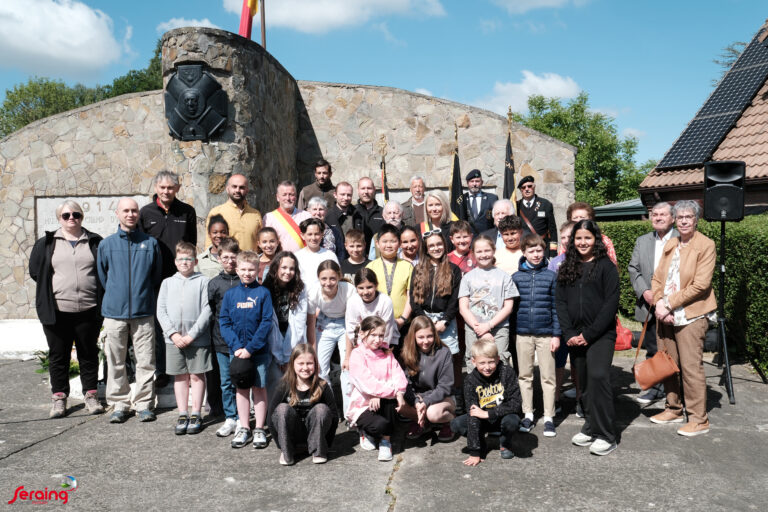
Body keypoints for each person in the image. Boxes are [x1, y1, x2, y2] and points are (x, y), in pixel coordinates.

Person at [29, 200, 104, 418]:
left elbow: (102, 269)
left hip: (89, 310)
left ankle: (91, 396)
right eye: (66, 215)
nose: (71, 218)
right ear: (59, 218)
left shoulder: (95, 241)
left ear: (82, 217)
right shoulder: (46, 243)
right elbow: (36, 272)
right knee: (58, 356)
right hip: (57, 311)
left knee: (88, 354)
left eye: (76, 214)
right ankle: (59, 398)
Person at [650, 200, 716, 437]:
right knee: (668, 365)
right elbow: (657, 278)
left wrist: (668, 303)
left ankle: (699, 419)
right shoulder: (671, 243)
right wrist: (659, 303)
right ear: (674, 220)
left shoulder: (706, 245)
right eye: (680, 217)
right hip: (664, 314)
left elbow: (701, 285)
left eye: (689, 216)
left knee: (690, 368)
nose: (684, 221)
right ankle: (673, 408)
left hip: (691, 315)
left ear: (696, 219)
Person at [556, 219, 620, 456]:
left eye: (587, 238)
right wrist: (570, 334)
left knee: (598, 376)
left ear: (596, 240)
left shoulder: (606, 267)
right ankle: (591, 426)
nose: (583, 242)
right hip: (575, 336)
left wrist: (588, 335)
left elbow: (610, 305)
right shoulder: (567, 267)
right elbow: (560, 303)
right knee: (582, 381)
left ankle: (607, 435)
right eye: (578, 238)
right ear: (573, 241)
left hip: (600, 335)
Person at [97, 198, 163, 424]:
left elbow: (155, 277)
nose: (130, 214)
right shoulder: (106, 245)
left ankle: (144, 404)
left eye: (134, 211)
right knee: (115, 361)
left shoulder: (150, 244)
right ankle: (120, 404)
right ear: (117, 214)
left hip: (143, 312)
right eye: (126, 210)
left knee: (145, 361)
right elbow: (104, 277)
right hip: (114, 313)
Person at [140, 170, 198, 388]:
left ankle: (186, 368)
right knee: (159, 325)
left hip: (180, 278)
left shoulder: (187, 212)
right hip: (155, 280)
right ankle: (162, 370)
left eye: (170, 187)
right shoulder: (145, 213)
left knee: (183, 321)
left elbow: (191, 245)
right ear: (156, 188)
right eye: (162, 187)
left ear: (177, 189)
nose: (166, 191)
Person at [156, 242, 213, 436]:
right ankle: (183, 413)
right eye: (181, 259)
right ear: (175, 261)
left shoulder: (203, 281)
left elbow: (207, 310)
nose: (185, 262)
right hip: (174, 339)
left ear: (195, 261)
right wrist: (172, 333)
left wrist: (192, 335)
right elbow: (161, 311)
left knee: (197, 375)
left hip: (197, 338)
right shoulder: (167, 283)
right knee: (179, 376)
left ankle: (196, 412)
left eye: (189, 259)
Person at [219, 251, 273, 449]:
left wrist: (250, 348)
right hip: (238, 352)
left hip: (257, 352)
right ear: (237, 269)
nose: (247, 273)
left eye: (251, 269)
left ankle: (259, 427)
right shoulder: (231, 295)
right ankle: (244, 427)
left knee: (259, 388)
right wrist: (237, 347)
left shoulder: (263, 294)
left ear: (258, 269)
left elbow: (266, 322)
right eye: (243, 269)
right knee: (241, 389)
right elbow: (224, 321)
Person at [627, 202, 677, 405]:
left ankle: (674, 392)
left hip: (674, 305)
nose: (657, 217)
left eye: (662, 214)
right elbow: (633, 268)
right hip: (648, 304)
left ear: (672, 218)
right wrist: (645, 292)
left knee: (674, 350)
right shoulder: (643, 241)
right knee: (651, 347)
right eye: (654, 214)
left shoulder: (681, 239)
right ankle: (654, 389)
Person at [511, 235, 561, 438]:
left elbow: (556, 307)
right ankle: (528, 414)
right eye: (531, 251)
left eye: (539, 250)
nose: (536, 254)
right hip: (522, 334)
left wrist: (556, 334)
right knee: (525, 376)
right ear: (524, 253)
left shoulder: (551, 276)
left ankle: (549, 417)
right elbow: (512, 308)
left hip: (546, 334)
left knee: (548, 377)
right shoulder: (516, 277)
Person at [346, 316, 408, 462]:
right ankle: (366, 431)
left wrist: (399, 392)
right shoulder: (357, 355)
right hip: (363, 404)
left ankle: (385, 442)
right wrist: (391, 392)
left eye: (381, 335)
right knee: (381, 424)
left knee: (392, 406)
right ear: (362, 333)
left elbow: (398, 375)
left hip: (385, 400)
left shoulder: (387, 352)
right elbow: (366, 382)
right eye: (373, 335)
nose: (377, 339)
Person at [450, 338, 522, 465]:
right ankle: (481, 443)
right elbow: (473, 414)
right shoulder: (470, 381)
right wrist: (475, 451)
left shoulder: (507, 372)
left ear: (498, 359)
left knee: (512, 421)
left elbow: (516, 403)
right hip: (481, 420)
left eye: (491, 362)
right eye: (482, 363)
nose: (487, 367)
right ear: (473, 362)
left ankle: (505, 443)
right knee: (456, 424)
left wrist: (488, 414)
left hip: (503, 416)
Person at [410, 230, 462, 399]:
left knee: (450, 360)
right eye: (431, 245)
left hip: (445, 321)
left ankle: (454, 398)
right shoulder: (418, 269)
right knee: (425, 359)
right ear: (425, 249)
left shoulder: (453, 269)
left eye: (439, 244)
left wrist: (445, 321)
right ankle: (426, 396)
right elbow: (413, 299)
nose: (436, 248)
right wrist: (426, 322)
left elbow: (455, 299)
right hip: (424, 319)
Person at [267, 344, 338, 465]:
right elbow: (270, 418)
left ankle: (318, 451)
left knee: (321, 409)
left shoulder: (322, 386)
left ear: (315, 364)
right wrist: (281, 445)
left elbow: (334, 417)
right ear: (292, 364)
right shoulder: (283, 385)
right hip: (292, 438)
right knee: (282, 409)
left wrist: (326, 443)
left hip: (316, 437)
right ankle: (287, 452)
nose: (305, 367)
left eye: (309, 363)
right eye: (301, 363)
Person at [459, 235, 518, 371]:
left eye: (487, 251)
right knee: (474, 361)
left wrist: (489, 325)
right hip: (474, 328)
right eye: (479, 252)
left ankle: (500, 391)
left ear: (493, 251)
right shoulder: (467, 278)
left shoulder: (504, 277)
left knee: (499, 361)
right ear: (473, 254)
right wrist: (479, 328)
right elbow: (463, 308)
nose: (483, 255)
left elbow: (508, 307)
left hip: (499, 328)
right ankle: (475, 392)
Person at [306, 260, 356, 417]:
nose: (328, 283)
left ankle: (350, 413)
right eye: (324, 279)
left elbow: (351, 324)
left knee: (347, 369)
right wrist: (314, 355)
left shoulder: (348, 290)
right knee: (320, 370)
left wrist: (348, 356)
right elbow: (310, 324)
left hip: (345, 325)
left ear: (339, 277)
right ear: (318, 278)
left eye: (332, 279)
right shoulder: (314, 292)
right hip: (324, 323)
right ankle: (330, 409)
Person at [399, 316, 456, 441]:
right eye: (421, 337)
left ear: (434, 334)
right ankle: (421, 422)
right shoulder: (407, 352)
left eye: (429, 336)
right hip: (419, 396)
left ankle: (450, 421)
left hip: (442, 397)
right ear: (413, 336)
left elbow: (445, 386)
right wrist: (416, 401)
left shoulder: (443, 352)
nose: (425, 341)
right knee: (398, 402)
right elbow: (405, 383)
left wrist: (426, 401)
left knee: (433, 414)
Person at [207, 237, 241, 438]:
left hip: (242, 342)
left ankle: (243, 415)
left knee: (242, 380)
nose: (230, 261)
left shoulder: (244, 281)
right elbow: (211, 310)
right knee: (226, 381)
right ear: (219, 258)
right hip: (221, 341)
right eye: (225, 257)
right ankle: (230, 416)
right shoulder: (214, 284)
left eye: (233, 257)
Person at [366, 224, 413, 340]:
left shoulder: (407, 266)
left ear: (400, 244)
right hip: (376, 324)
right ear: (377, 244)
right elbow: (366, 295)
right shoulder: (370, 266)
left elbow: (411, 295)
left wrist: (403, 319)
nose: (388, 245)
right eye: (384, 241)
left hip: (402, 323)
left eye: (393, 241)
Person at [345, 268, 399, 352]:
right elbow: (352, 328)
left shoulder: (385, 301)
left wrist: (380, 349)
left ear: (376, 285)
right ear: (356, 288)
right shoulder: (352, 301)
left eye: (369, 287)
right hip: (362, 343)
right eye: (361, 288)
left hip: (383, 342)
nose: (365, 292)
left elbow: (387, 330)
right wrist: (362, 347)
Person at [205, 173, 262, 251]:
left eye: (241, 187)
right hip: (225, 262)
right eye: (234, 187)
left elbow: (261, 243)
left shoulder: (255, 214)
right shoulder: (216, 212)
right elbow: (209, 244)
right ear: (227, 189)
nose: (237, 190)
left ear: (247, 190)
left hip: (249, 262)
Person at [264, 181, 313, 253]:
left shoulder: (307, 216)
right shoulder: (269, 218)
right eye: (284, 195)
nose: (288, 198)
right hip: (280, 261)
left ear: (296, 197)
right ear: (277, 197)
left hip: (303, 261)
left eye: (291, 195)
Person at [515, 176, 557, 254]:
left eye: (529, 186)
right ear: (521, 190)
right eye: (523, 187)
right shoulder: (516, 206)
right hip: (523, 249)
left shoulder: (545, 204)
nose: (527, 189)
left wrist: (553, 251)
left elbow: (552, 230)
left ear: (534, 187)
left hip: (542, 247)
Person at [295, 218, 339, 290]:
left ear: (322, 235)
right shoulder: (296, 256)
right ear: (302, 235)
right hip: (302, 298)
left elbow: (337, 278)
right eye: (309, 234)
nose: (313, 238)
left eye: (317, 234)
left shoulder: (330, 256)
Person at [325, 181, 363, 247]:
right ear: (335, 195)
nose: (345, 198)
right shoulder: (328, 216)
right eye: (342, 194)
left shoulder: (358, 214)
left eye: (349, 195)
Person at [462, 169, 497, 234]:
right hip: (468, 238)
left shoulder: (492, 198)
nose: (474, 184)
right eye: (472, 181)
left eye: (477, 181)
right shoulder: (462, 199)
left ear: (482, 182)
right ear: (467, 183)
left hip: (487, 237)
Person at [355, 177, 385, 253]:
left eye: (369, 188)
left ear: (374, 190)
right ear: (358, 190)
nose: (366, 191)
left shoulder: (383, 212)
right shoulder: (352, 212)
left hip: (378, 257)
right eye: (363, 188)